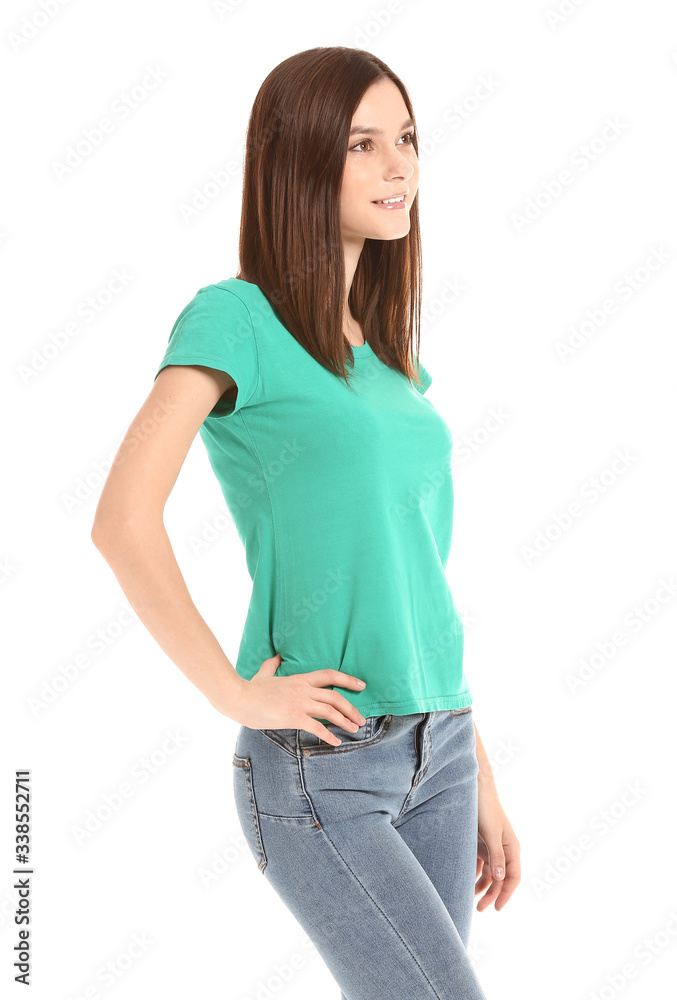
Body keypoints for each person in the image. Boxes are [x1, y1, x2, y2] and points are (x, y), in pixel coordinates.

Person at [92, 45, 520, 1000]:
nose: (399, 166)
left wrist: (477, 763)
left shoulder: (394, 365)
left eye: (405, 139)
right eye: (363, 145)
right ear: (297, 160)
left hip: (441, 748)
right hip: (324, 760)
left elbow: (417, 577)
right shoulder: (234, 318)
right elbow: (121, 519)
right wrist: (233, 695)